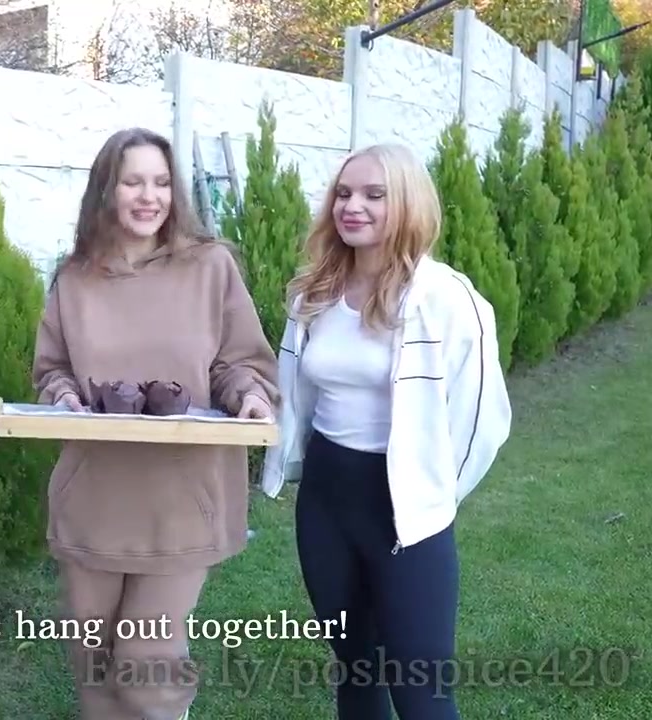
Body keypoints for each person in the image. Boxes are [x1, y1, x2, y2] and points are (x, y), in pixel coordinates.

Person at [31, 127, 280, 720]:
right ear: (106, 190)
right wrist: (62, 394)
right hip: (94, 499)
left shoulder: (210, 266)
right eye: (134, 182)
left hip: (182, 502)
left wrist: (249, 395)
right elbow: (52, 368)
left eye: (162, 183)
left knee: (146, 670)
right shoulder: (74, 278)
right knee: (94, 670)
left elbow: (238, 362)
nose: (150, 197)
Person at [260, 143, 513, 719]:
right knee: (356, 671)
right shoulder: (314, 292)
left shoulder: (447, 299)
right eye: (344, 193)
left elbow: (482, 420)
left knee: (421, 691)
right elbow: (296, 390)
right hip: (326, 500)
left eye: (375, 195)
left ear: (408, 204)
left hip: (406, 510)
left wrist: (433, 495)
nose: (353, 206)